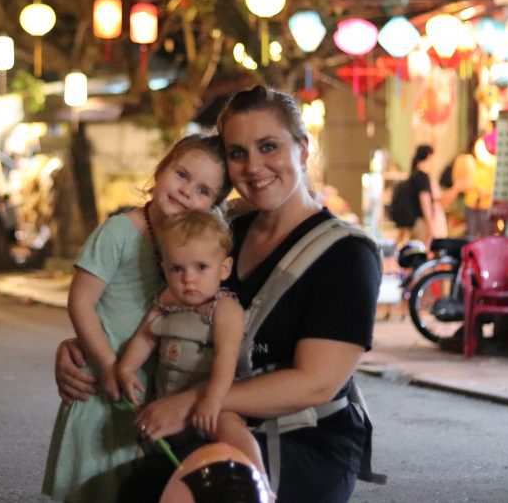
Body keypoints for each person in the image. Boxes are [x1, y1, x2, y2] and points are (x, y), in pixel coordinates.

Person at [56, 86, 382, 502]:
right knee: (132, 490)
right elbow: (162, 305)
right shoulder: (222, 229)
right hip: (212, 420)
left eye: (269, 147)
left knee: (196, 491)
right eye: (238, 153)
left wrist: (193, 402)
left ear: (302, 150)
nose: (254, 166)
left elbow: (315, 384)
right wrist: (83, 345)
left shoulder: (345, 254)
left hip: (302, 437)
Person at [42, 134, 232, 502]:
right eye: (181, 174)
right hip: (102, 382)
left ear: (213, 206)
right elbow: (80, 302)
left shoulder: (191, 248)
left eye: (203, 190)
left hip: (148, 387)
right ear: (161, 170)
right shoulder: (119, 233)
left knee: (129, 486)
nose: (186, 191)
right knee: (92, 487)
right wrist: (109, 364)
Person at [114, 210, 267, 484]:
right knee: (148, 447)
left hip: (212, 395)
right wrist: (126, 367)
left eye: (201, 267)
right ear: (164, 270)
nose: (188, 279)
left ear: (224, 268)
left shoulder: (224, 308)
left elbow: (226, 357)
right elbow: (146, 336)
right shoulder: (167, 300)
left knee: (229, 426)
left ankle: (259, 481)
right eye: (177, 269)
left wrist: (212, 399)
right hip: (168, 395)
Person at [394, 144, 438, 245]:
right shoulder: (422, 177)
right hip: (418, 223)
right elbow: (425, 203)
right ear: (429, 156)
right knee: (418, 251)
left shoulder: (413, 175)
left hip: (408, 222)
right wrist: (430, 225)